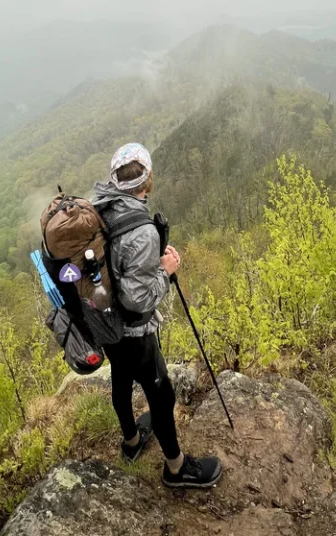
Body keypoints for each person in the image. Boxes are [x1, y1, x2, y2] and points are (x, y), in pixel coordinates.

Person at [92, 142, 222, 489]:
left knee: (120, 377)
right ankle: (177, 469)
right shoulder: (142, 231)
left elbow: (118, 266)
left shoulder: (100, 208)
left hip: (104, 322)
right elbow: (137, 300)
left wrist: (152, 262)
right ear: (147, 180)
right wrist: (165, 270)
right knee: (162, 396)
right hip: (134, 333)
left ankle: (132, 441)